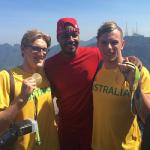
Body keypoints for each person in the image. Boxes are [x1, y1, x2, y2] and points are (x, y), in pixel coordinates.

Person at [44, 18, 142, 150]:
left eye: (74, 35)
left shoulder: (94, 54)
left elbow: (113, 55)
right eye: (65, 36)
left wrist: (133, 60)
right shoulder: (50, 65)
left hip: (93, 131)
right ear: (58, 38)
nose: (71, 39)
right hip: (66, 131)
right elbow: (47, 94)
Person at [92, 21, 150, 150]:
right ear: (98, 45)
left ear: (122, 44)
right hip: (97, 146)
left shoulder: (139, 72)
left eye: (114, 42)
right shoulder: (96, 70)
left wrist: (135, 85)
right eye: (104, 42)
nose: (109, 47)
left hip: (128, 147)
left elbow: (147, 117)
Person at [0, 30, 59, 150]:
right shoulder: (6, 77)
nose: (41, 53)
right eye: (36, 48)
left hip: (52, 145)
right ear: (23, 49)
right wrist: (21, 99)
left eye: (45, 49)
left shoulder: (47, 75)